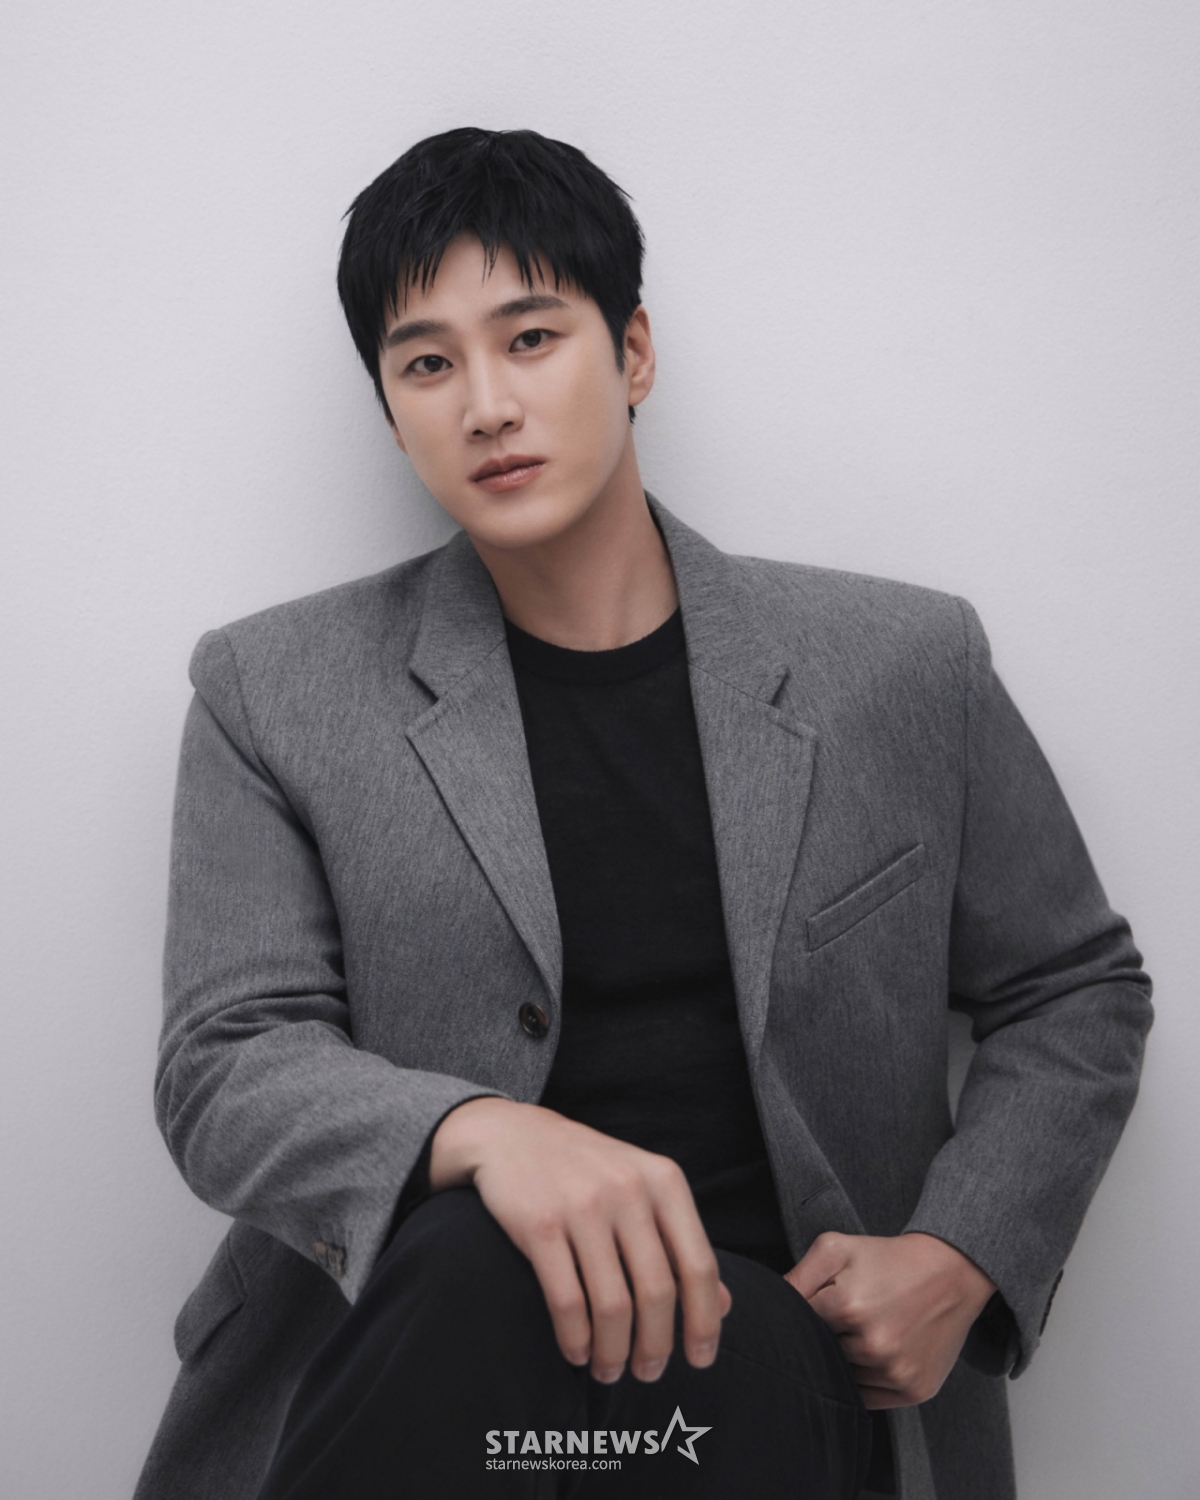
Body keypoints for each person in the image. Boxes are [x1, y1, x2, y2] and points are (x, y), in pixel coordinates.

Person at [134, 128, 1152, 1500]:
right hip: (438, 1386)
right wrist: (483, 1136)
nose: (486, 404)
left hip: (772, 1372)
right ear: (391, 412)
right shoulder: (273, 689)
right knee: (471, 1241)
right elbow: (224, 1064)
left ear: (632, 354)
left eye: (530, 338)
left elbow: (1073, 987)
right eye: (428, 365)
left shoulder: (901, 665)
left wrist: (961, 1252)